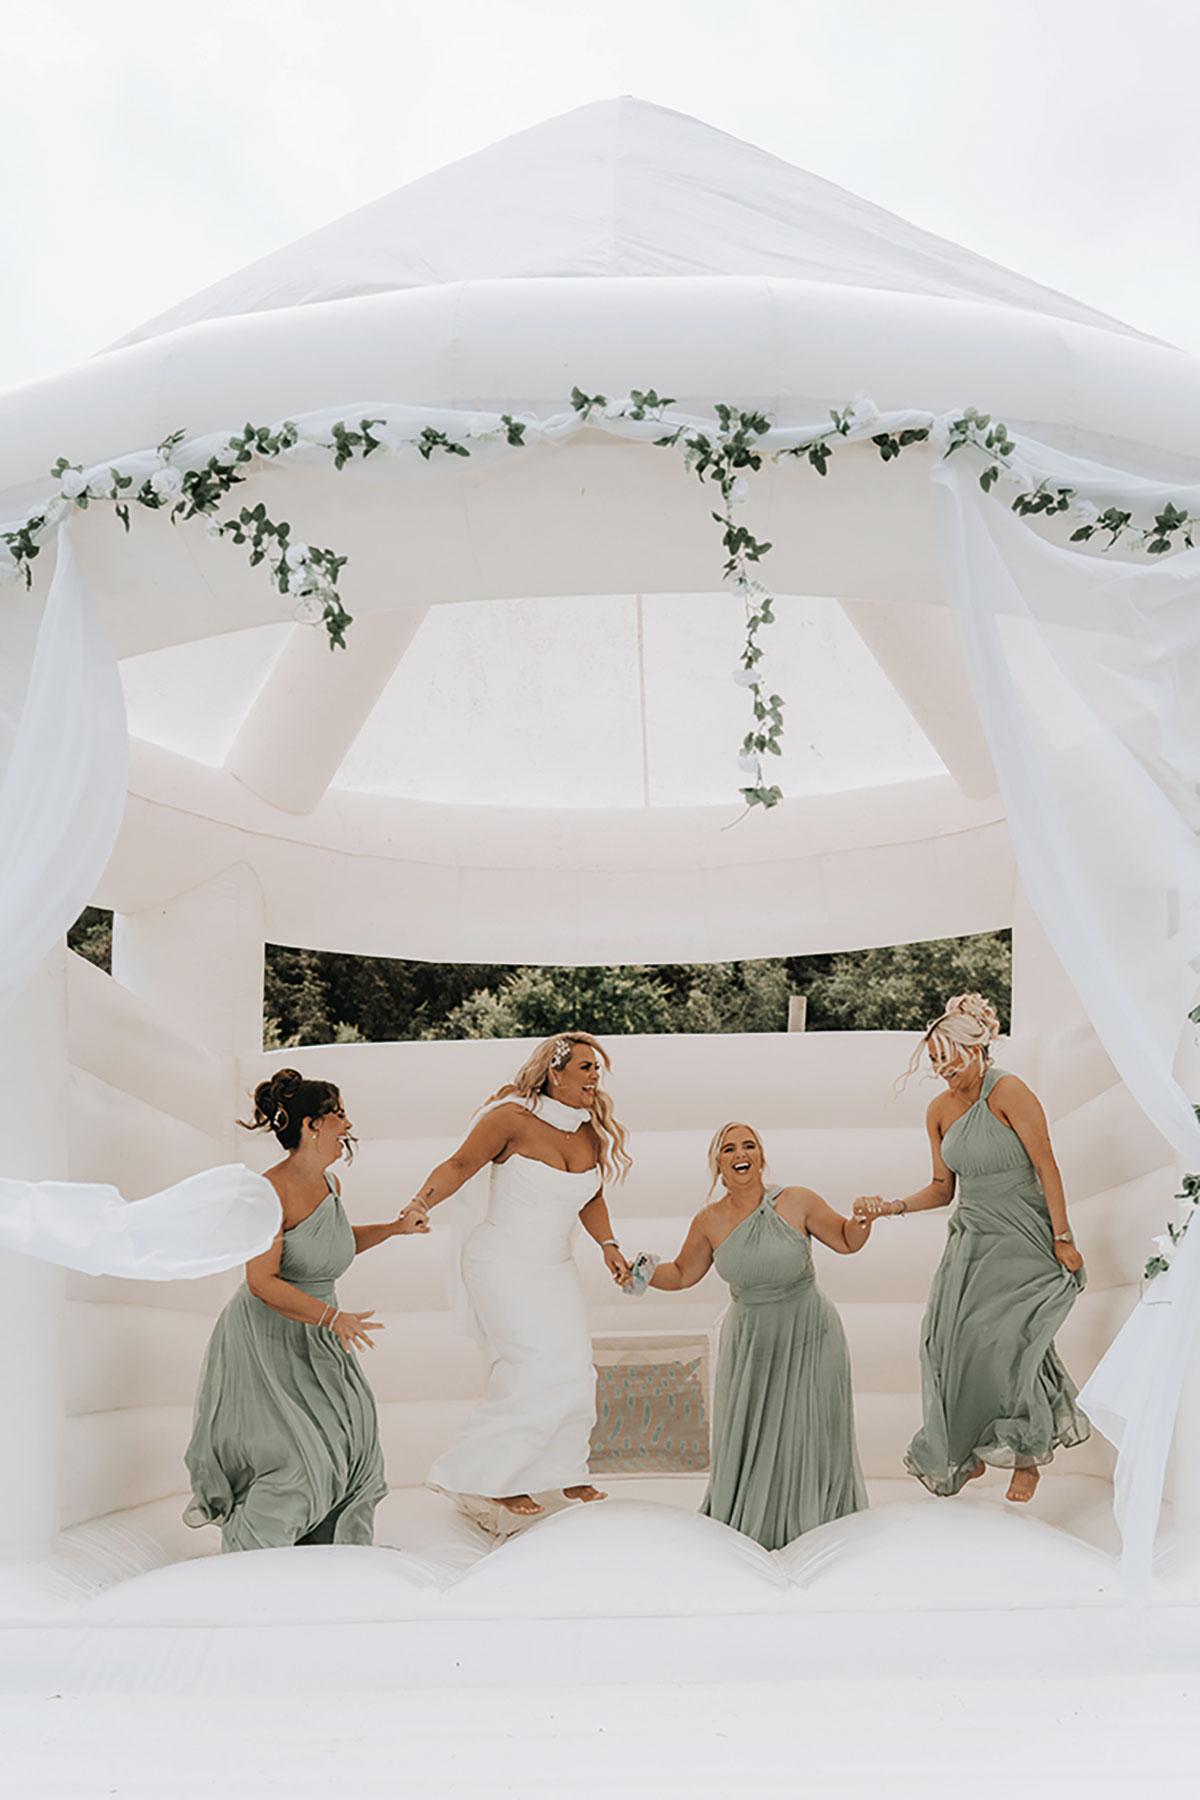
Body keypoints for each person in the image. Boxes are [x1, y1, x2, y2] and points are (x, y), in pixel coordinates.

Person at [855, 992, 1088, 1503]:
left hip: (1024, 1233)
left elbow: (1047, 1164)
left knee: (1009, 1340)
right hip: (972, 1238)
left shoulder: (1009, 1092)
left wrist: (1062, 1236)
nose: (941, 1069)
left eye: (949, 1057)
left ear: (977, 1046)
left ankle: (1025, 1457)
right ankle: (970, 1446)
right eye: (934, 1060)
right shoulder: (938, 1111)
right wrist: (890, 1207)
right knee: (943, 1340)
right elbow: (942, 1188)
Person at [185, 1068, 428, 1551]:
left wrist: (395, 1229)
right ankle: (255, 1555)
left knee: (354, 1441)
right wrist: (332, 1318)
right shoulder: (267, 1192)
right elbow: (260, 1281)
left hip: (321, 1328)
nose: (347, 1122)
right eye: (338, 1113)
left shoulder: (330, 1183)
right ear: (311, 1125)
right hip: (269, 1333)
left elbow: (330, 1246)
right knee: (297, 1456)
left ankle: (332, 1553)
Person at [420, 1032, 632, 1518]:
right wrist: (420, 1202)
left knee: (576, 1366)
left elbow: (591, 1196)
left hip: (554, 1267)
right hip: (500, 1263)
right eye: (585, 1068)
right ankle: (488, 1476)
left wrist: (609, 1245)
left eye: (597, 1069)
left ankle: (565, 1472)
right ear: (554, 1073)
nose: (595, 1077)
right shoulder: (509, 1119)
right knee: (530, 1365)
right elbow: (459, 1165)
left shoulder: (589, 1132)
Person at [645, 1121, 869, 1550]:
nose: (739, 1153)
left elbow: (845, 1240)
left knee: (809, 1431)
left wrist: (862, 1219)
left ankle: (815, 1528)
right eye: (728, 1149)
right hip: (750, 1342)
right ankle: (755, 1533)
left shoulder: (797, 1200)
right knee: (754, 1433)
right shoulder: (708, 1220)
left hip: (811, 1333)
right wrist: (637, 1274)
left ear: (762, 1157)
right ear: (718, 1164)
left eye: (748, 1145)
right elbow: (681, 1274)